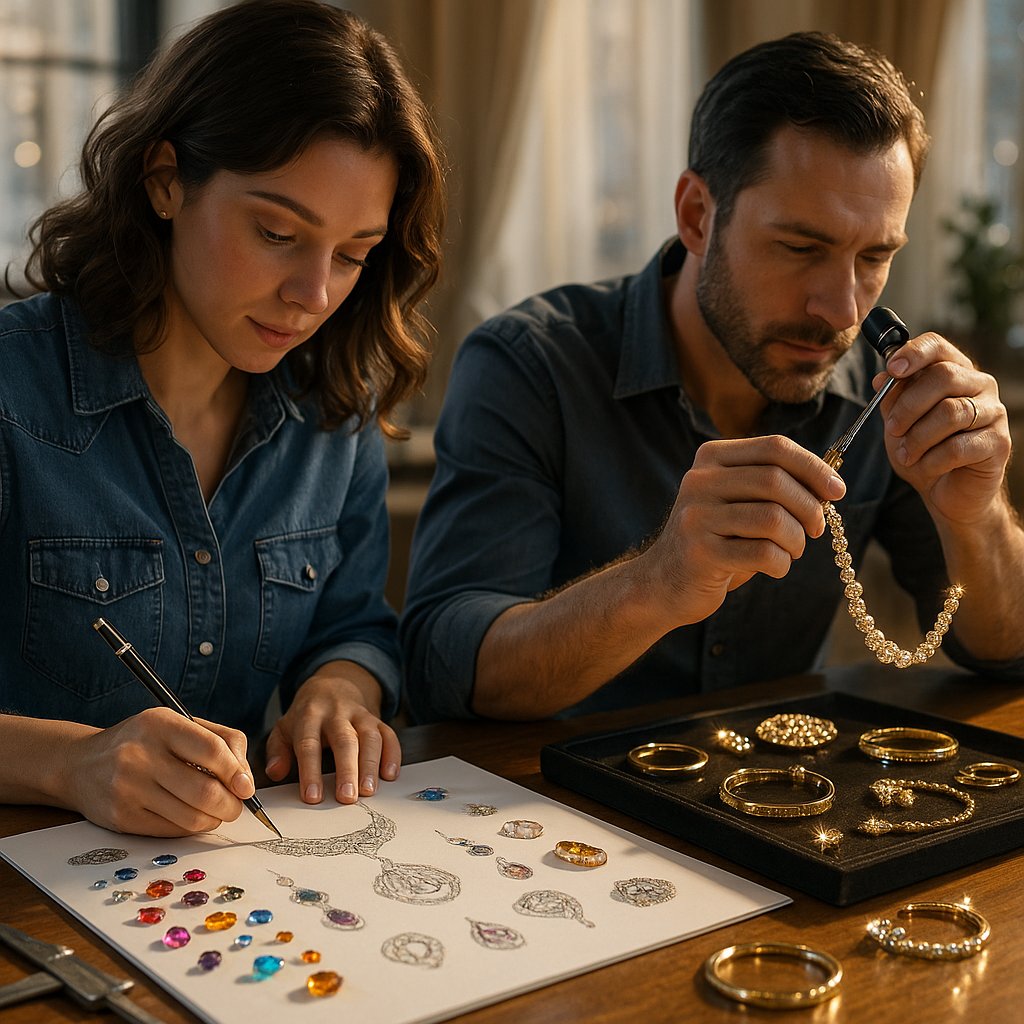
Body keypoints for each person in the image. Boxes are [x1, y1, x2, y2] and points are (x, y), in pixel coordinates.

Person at [401, 31, 1024, 724]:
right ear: (698, 215)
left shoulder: (884, 396)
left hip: (777, 805)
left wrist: (978, 518)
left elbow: (1007, 653)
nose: (843, 309)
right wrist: (659, 580)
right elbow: (444, 671)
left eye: (875, 256)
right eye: (800, 248)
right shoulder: (531, 366)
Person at [0, 0, 445, 835]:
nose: (315, 295)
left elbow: (355, 626)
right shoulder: (10, 391)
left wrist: (339, 692)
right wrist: (68, 764)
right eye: (278, 232)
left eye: (353, 253)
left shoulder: (334, 411)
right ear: (166, 180)